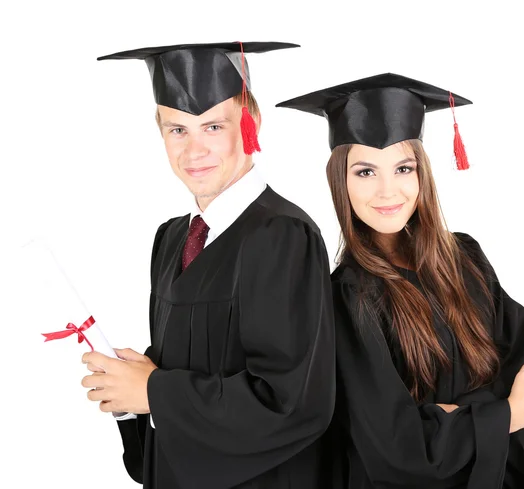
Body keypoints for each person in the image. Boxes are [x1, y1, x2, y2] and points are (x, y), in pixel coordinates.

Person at [276, 72, 524, 488]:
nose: (388, 191)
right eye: (365, 172)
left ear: (421, 174)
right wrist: (508, 413)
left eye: (403, 168)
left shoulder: (467, 258)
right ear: (341, 181)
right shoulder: (344, 298)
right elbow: (395, 447)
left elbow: (522, 368)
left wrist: (452, 418)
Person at [80, 41, 337, 489]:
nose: (194, 151)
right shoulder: (172, 237)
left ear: (250, 122)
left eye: (213, 126)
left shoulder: (282, 236)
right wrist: (130, 392)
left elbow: (291, 403)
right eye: (177, 130)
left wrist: (154, 394)